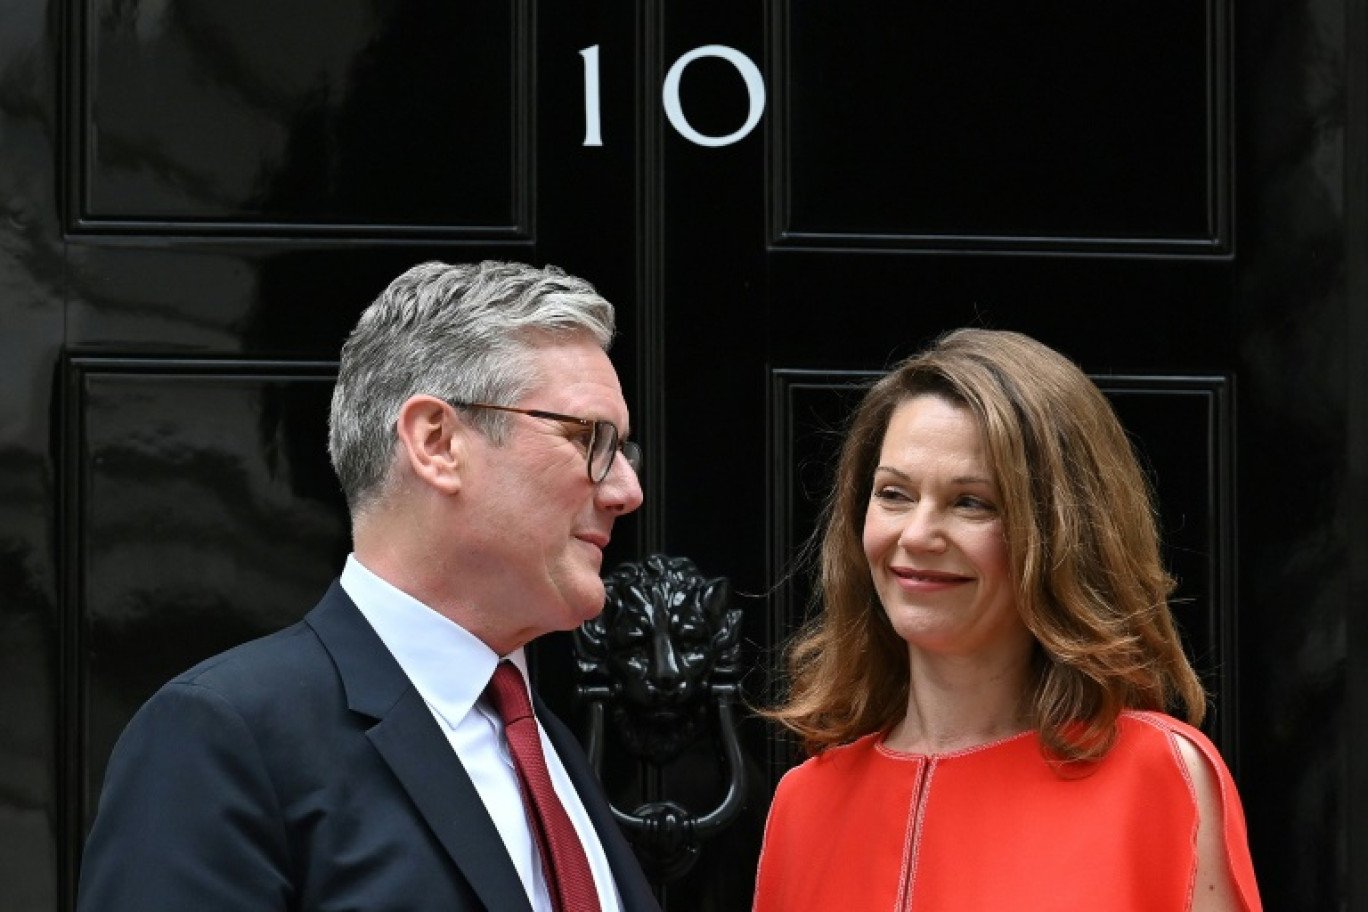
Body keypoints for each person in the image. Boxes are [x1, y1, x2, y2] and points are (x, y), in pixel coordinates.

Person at [78, 260, 660, 911]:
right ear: (437, 442)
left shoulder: (543, 743)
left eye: (624, 451)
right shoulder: (224, 737)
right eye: (591, 439)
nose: (626, 490)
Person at [753, 329, 1262, 911]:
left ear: (1060, 533)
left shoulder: (1159, 777)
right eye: (894, 494)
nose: (916, 535)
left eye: (972, 501)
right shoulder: (807, 802)